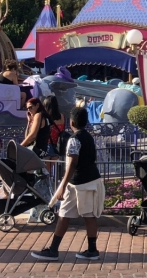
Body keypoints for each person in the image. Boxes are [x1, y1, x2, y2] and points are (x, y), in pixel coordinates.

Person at [31, 107, 105, 261]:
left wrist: (63, 185)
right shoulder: (88, 137)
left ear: (71, 122)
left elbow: (72, 163)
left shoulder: (74, 140)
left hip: (77, 183)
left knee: (65, 215)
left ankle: (54, 250)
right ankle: (92, 249)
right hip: (91, 180)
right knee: (88, 215)